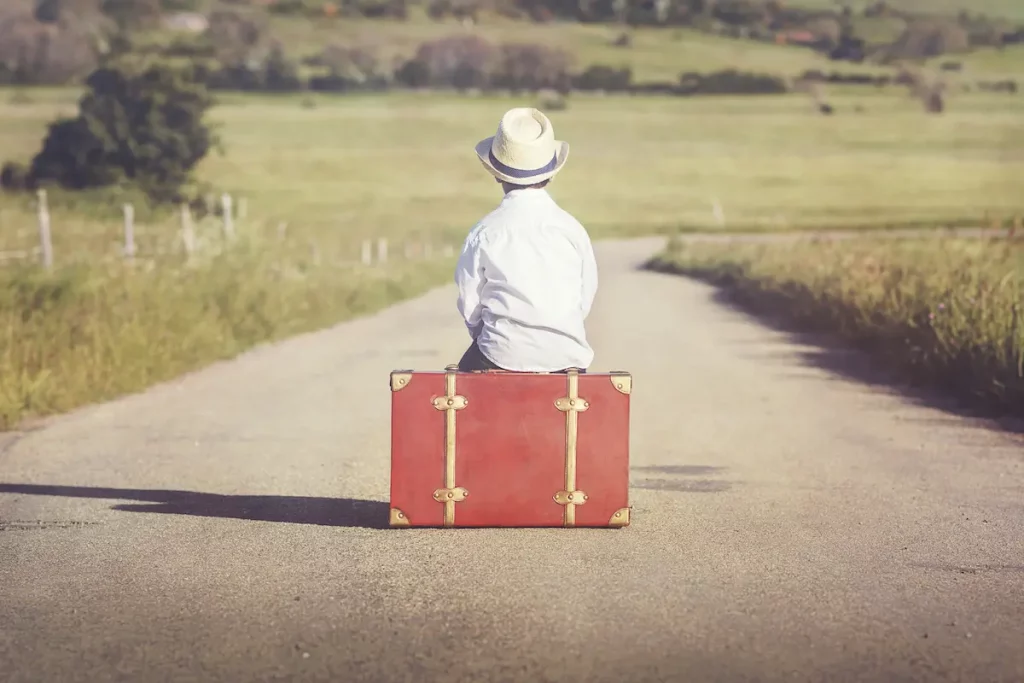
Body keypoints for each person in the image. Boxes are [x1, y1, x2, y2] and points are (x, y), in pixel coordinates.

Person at [454, 107, 598, 374]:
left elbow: (470, 304)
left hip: (499, 353)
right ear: (551, 173)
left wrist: (485, 336)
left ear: (496, 173)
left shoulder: (484, 231)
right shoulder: (571, 229)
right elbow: (583, 298)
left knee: (458, 391)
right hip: (567, 356)